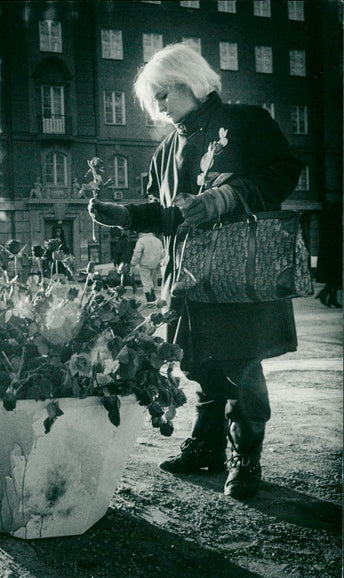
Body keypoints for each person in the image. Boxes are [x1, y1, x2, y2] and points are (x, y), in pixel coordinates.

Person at [88, 43, 303, 500]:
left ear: (191, 81)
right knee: (200, 363)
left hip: (240, 272)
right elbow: (168, 216)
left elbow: (282, 173)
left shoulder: (247, 122)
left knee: (242, 365)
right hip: (189, 276)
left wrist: (226, 198)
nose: (159, 107)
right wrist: (125, 215)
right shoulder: (167, 148)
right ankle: (207, 447)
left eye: (163, 95)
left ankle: (246, 459)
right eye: (153, 100)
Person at [130, 232, 164, 303]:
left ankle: (150, 299)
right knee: (151, 281)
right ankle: (153, 298)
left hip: (144, 263)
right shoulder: (158, 240)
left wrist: (133, 263)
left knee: (146, 282)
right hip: (155, 264)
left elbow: (137, 253)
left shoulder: (141, 241)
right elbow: (162, 253)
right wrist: (159, 264)